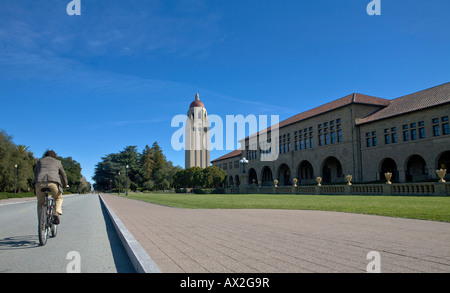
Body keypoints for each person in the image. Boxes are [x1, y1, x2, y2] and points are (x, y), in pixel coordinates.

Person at [33, 150, 68, 224]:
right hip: (53, 183)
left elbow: (35, 173)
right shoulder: (57, 162)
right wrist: (65, 184)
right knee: (58, 197)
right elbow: (63, 174)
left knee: (40, 202)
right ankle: (56, 212)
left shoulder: (40, 161)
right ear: (54, 156)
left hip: (39, 183)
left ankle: (40, 221)